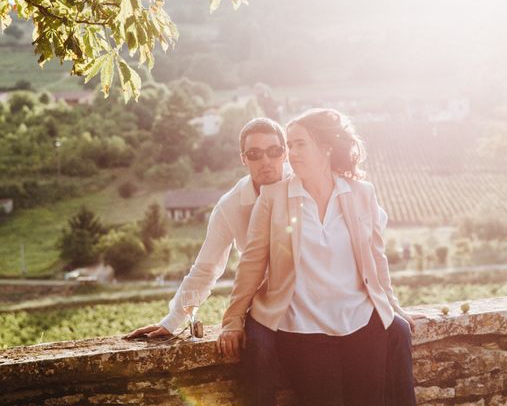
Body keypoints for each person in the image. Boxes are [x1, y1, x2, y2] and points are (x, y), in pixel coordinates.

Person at [218, 109, 419, 406]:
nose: (291, 153)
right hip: (303, 327)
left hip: (360, 322)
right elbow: (251, 263)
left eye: (300, 144)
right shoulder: (273, 197)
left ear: (325, 148)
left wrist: (393, 306)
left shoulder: (362, 193)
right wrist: (232, 319)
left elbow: (376, 260)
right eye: (290, 145)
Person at [125, 117, 288, 405]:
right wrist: (173, 319)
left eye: (274, 151)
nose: (267, 160)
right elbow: (207, 268)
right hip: (265, 306)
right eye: (255, 153)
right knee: (259, 352)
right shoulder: (229, 206)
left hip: (312, 299)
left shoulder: (304, 186)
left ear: (285, 152)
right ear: (243, 159)